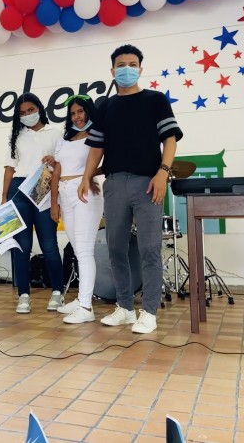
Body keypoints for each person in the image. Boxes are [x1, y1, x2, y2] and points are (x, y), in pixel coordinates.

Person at [78, 44, 182, 334]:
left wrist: (163, 172)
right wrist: (86, 177)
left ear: (140, 69)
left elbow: (170, 139)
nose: (127, 69)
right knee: (115, 247)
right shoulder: (105, 106)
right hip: (114, 184)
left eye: (132, 64)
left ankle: (149, 311)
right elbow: (96, 147)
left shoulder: (155, 100)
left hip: (148, 183)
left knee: (149, 248)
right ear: (112, 71)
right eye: (121, 65)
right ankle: (124, 307)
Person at [3, 93, 64, 313]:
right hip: (19, 190)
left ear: (39, 108)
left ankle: (58, 292)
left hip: (43, 188)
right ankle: (23, 295)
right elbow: (10, 168)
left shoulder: (55, 133)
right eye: (22, 113)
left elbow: (63, 164)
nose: (27, 115)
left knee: (49, 245)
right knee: (22, 246)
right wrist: (4, 198)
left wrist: (54, 161)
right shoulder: (17, 137)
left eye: (31, 110)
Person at [50, 94, 103, 324]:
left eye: (80, 111)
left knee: (84, 251)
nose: (77, 117)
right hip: (65, 194)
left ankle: (85, 306)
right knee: (76, 248)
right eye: (72, 113)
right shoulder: (65, 140)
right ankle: (82, 298)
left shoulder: (97, 135)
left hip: (85, 193)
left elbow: (109, 163)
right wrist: (54, 202)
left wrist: (88, 176)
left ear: (89, 111)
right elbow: (58, 171)